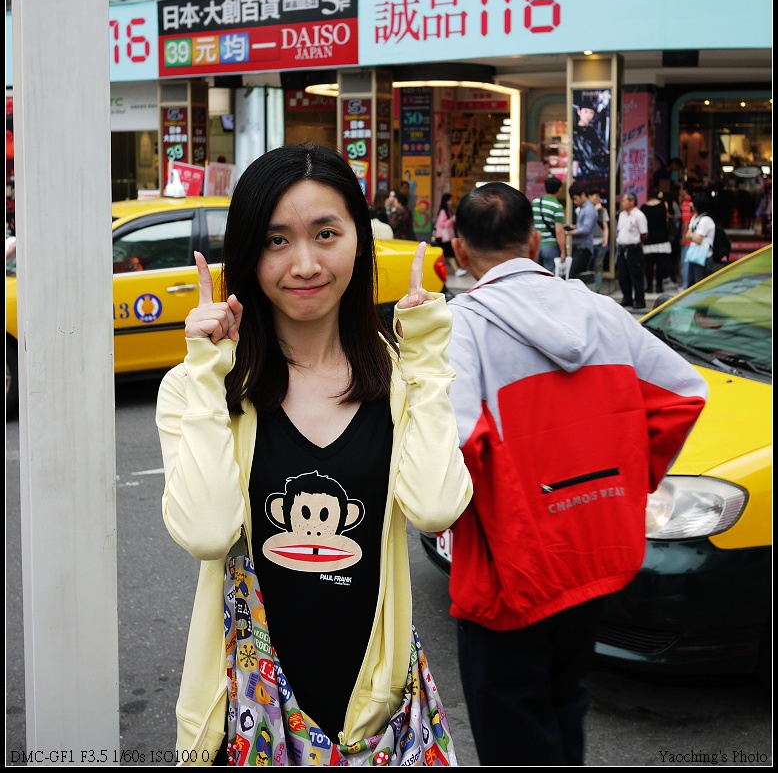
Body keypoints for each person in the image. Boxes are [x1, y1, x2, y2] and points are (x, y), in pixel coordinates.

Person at [156, 142, 472, 762]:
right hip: (247, 715)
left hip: (375, 719)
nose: (304, 264)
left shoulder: (403, 381)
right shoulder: (200, 389)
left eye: (326, 234)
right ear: (248, 255)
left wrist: (428, 356)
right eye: (276, 241)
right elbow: (208, 533)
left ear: (359, 241)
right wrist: (207, 371)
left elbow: (437, 508)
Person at [443, 182, 708, 767]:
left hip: (511, 574)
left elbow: (458, 451)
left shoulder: (458, 328)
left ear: (460, 250)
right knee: (567, 704)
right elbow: (683, 394)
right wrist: (624, 483)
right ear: (534, 242)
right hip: (593, 551)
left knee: (513, 736)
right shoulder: (602, 311)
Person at [615, 192, 648, 310]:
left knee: (636, 275)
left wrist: (637, 243)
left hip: (634, 248)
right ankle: (627, 297)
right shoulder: (622, 215)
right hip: (622, 248)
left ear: (632, 202)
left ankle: (639, 300)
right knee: (623, 276)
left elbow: (644, 234)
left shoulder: (639, 215)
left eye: (624, 200)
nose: (622, 203)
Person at [531, 177, 567, 274]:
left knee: (536, 274)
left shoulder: (536, 203)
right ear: (559, 189)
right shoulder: (557, 207)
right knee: (549, 274)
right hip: (550, 247)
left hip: (536, 245)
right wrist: (563, 251)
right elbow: (559, 231)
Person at [640, 188, 672, 294]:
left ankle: (649, 287)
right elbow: (667, 221)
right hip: (662, 237)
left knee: (649, 264)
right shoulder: (664, 205)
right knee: (660, 264)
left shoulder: (644, 207)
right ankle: (659, 286)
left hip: (649, 238)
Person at [571, 99, 609, 180]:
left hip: (602, 169)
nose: (588, 115)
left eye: (591, 112)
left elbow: (602, 147)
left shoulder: (593, 130)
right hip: (589, 172)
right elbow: (576, 156)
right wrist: (574, 176)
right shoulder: (575, 132)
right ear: (579, 112)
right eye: (585, 111)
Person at [686, 190, 717, 285]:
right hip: (694, 256)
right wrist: (693, 236)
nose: (690, 205)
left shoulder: (706, 220)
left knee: (699, 285)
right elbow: (687, 235)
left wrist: (692, 235)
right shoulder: (695, 218)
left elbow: (698, 240)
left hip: (704, 257)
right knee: (691, 284)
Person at [567, 182, 596, 279]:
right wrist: (574, 228)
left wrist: (569, 232)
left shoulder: (589, 209)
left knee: (573, 277)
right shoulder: (583, 208)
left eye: (576, 198)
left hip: (583, 249)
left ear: (583, 195)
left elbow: (585, 229)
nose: (575, 202)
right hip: (579, 248)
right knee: (576, 277)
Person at [434, 192, 467, 277]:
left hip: (446, 237)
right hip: (442, 237)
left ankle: (449, 270)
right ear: (446, 201)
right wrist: (452, 219)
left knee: (446, 254)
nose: (451, 201)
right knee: (449, 254)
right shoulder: (443, 212)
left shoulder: (448, 211)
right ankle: (456, 270)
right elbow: (443, 224)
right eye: (450, 200)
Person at [586, 186, 609, 293]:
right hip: (588, 243)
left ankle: (597, 289)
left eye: (599, 196)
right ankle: (587, 289)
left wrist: (606, 240)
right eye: (596, 196)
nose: (598, 198)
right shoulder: (584, 210)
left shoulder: (603, 211)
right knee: (587, 266)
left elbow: (605, 226)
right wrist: (595, 210)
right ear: (589, 197)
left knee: (598, 266)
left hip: (600, 241)